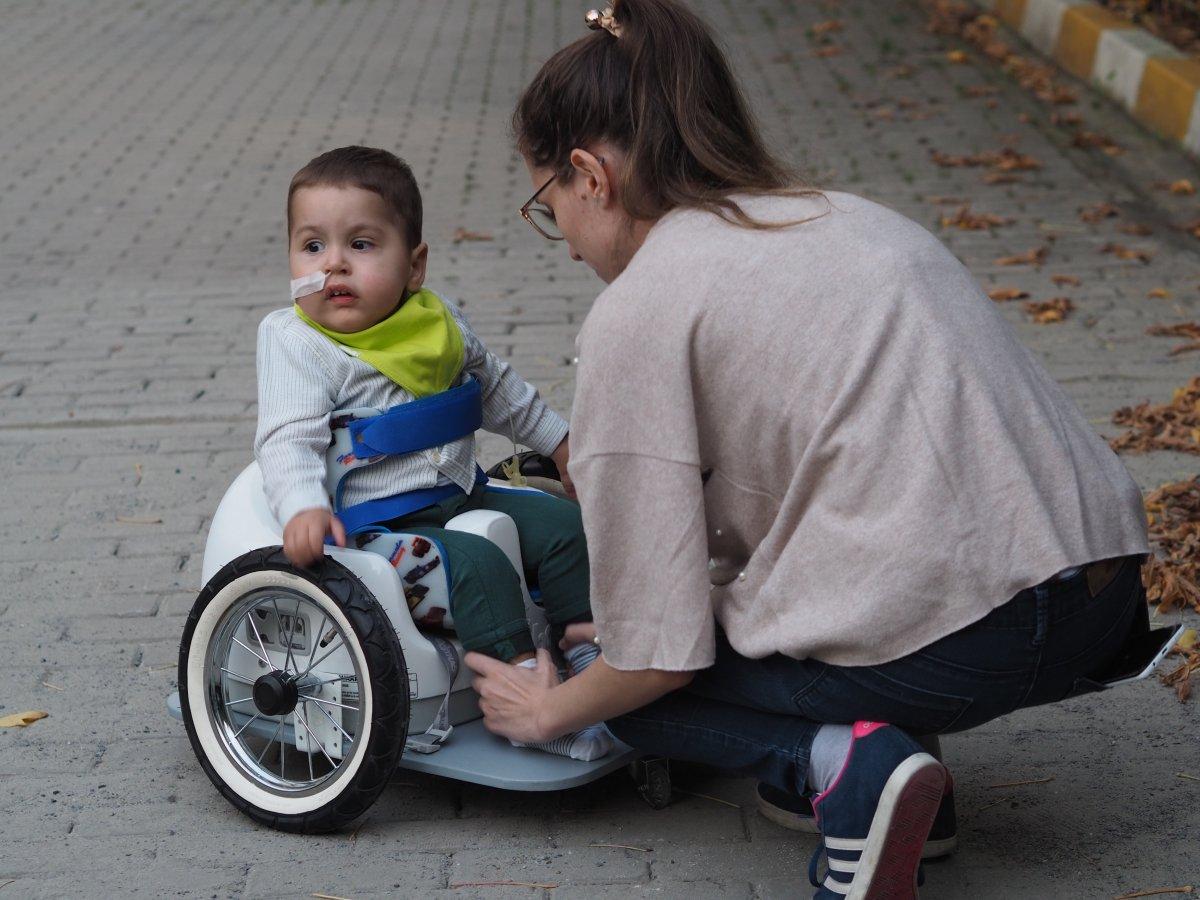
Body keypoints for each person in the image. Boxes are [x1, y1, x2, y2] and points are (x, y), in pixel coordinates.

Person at [462, 1, 1151, 896]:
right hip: (1103, 591)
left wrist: (552, 707)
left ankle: (847, 769)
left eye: (547, 202)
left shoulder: (638, 313)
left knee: (625, 697)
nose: (561, 243)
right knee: (735, 620)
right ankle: (910, 788)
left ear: (590, 175)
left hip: (981, 636)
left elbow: (657, 659)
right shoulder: (845, 215)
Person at [255, 146, 609, 761]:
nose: (333, 265)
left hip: (461, 493)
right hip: (373, 526)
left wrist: (560, 443)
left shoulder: (435, 321)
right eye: (312, 246)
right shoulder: (296, 343)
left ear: (414, 266)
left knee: (563, 529)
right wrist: (301, 506)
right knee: (476, 565)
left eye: (361, 246)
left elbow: (498, 389)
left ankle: (588, 654)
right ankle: (526, 699)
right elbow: (287, 438)